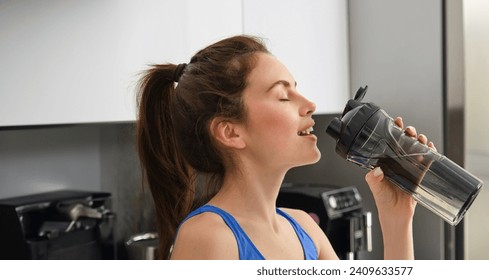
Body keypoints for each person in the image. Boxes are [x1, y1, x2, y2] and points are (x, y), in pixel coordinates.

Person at [136, 35, 436, 260]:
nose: (309, 105)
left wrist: (396, 217)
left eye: (297, 88)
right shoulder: (209, 238)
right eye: (283, 95)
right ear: (230, 132)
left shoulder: (304, 228)